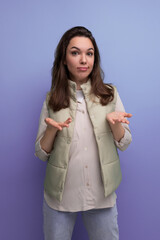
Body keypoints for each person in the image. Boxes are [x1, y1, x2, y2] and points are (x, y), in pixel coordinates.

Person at [35, 26, 132, 240]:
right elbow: (41, 154)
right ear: (64, 58)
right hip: (60, 198)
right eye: (75, 52)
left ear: (94, 59)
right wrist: (51, 130)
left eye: (89, 53)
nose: (83, 60)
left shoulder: (109, 94)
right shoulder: (52, 99)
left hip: (101, 195)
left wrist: (115, 124)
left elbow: (124, 143)